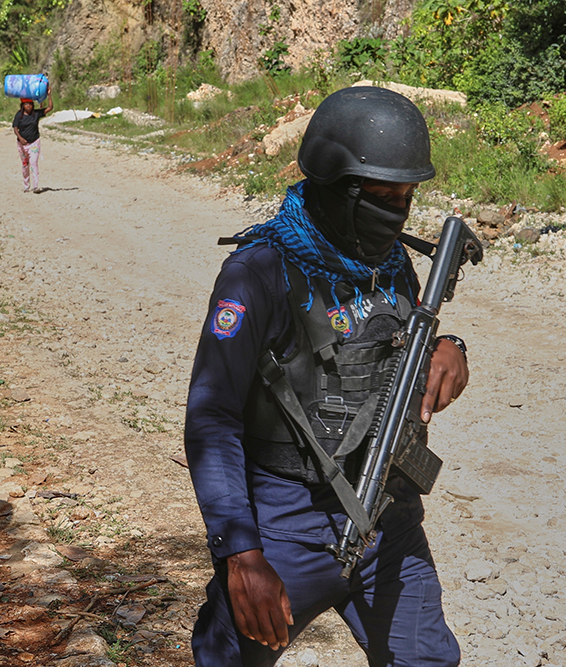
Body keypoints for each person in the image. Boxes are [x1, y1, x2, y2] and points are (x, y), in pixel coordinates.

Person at [184, 86, 468, 667]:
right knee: (229, 659)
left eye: (407, 198)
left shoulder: (389, 262)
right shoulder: (258, 272)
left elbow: (394, 341)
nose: (397, 214)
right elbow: (211, 415)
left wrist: (448, 345)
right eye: (382, 197)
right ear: (336, 186)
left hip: (387, 516)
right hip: (285, 519)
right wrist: (241, 553)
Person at [12, 86, 53, 193]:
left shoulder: (36, 114)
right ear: (23, 106)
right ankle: (26, 185)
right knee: (25, 165)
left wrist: (49, 95)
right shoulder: (19, 115)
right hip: (21, 144)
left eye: (30, 104)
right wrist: (21, 138)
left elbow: (50, 108)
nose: (28, 106)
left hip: (34, 142)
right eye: (26, 104)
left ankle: (35, 186)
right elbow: (15, 128)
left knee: (34, 163)